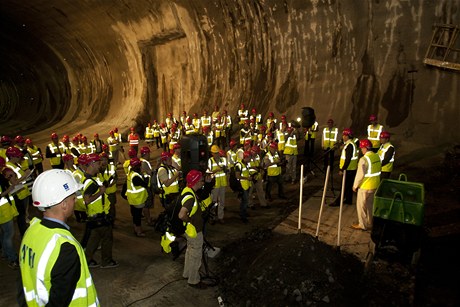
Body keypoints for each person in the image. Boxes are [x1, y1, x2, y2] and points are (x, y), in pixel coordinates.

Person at [18, 169, 99, 306]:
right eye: (74, 198)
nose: (75, 201)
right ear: (64, 204)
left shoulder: (31, 230)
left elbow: (22, 282)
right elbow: (59, 300)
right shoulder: (64, 246)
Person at [81, 153, 118, 268]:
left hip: (95, 215)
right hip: (99, 215)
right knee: (107, 238)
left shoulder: (90, 178)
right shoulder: (90, 182)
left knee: (94, 239)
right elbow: (87, 200)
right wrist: (100, 192)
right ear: (91, 164)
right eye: (97, 163)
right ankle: (106, 261)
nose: (99, 165)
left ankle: (86, 260)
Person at [178, 169, 206, 289]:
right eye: (201, 180)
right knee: (196, 255)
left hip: (189, 231)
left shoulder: (188, 190)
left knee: (190, 251)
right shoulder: (190, 197)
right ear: (195, 181)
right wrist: (191, 221)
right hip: (193, 231)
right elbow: (181, 215)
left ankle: (187, 274)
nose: (202, 182)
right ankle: (194, 280)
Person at [352, 139, 382, 230]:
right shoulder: (377, 156)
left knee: (361, 207)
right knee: (370, 206)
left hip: (365, 187)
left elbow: (360, 175)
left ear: (365, 148)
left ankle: (362, 225)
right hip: (375, 185)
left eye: (362, 148)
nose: (361, 150)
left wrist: (355, 185)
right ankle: (370, 222)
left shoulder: (363, 159)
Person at [330, 128, 358, 207]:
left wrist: (342, 169)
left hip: (348, 169)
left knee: (344, 186)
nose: (343, 137)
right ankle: (349, 200)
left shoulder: (349, 145)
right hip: (351, 168)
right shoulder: (351, 144)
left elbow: (348, 159)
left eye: (344, 135)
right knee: (348, 186)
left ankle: (338, 201)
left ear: (347, 136)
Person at [0, 167, 20, 269]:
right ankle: (12, 259)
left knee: (4, 235)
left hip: (5, 212)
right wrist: (9, 189)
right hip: (3, 214)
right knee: (8, 236)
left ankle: (5, 253)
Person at [126, 158, 148, 237]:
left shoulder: (131, 173)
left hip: (132, 199)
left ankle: (136, 229)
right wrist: (146, 175)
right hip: (138, 200)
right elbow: (145, 184)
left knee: (135, 215)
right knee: (137, 216)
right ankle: (139, 231)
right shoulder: (136, 177)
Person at [207, 145, 228, 224]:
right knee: (213, 201)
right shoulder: (210, 161)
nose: (216, 154)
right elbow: (208, 172)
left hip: (222, 183)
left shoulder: (223, 160)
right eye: (215, 153)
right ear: (212, 153)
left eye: (217, 153)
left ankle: (220, 217)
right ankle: (212, 217)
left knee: (222, 201)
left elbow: (227, 169)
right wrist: (216, 170)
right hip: (215, 184)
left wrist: (226, 169)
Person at [235, 151, 253, 223]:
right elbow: (237, 176)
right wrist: (247, 178)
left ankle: (244, 213)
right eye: (249, 158)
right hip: (243, 186)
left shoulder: (246, 164)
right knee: (245, 201)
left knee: (245, 201)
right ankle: (243, 216)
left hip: (247, 185)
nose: (250, 159)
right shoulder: (239, 165)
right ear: (246, 157)